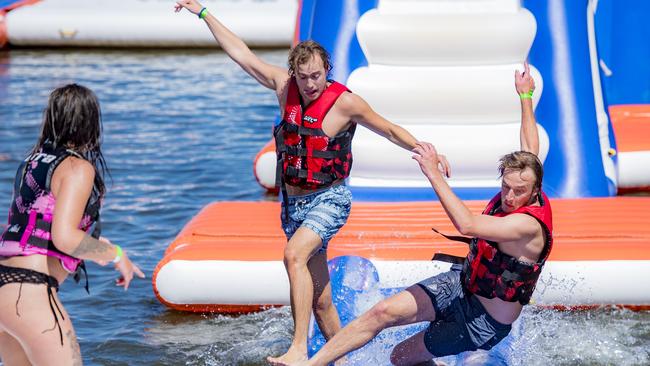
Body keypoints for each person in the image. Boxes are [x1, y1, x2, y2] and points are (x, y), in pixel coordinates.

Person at [173, 2, 451, 364]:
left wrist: (425, 149)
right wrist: (203, 13)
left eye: (317, 76)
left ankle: (298, 349)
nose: (310, 84)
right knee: (321, 302)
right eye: (304, 77)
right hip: (292, 205)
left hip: (330, 199)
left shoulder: (346, 103)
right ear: (294, 74)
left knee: (293, 255)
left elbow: (387, 128)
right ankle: (347, 360)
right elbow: (240, 53)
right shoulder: (282, 86)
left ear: (326, 71)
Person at [289, 63, 552, 366]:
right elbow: (530, 145)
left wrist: (431, 172)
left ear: (536, 191)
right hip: (462, 284)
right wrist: (526, 95)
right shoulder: (523, 176)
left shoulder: (527, 225)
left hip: (483, 320)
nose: (509, 196)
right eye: (505, 186)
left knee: (400, 357)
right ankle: (312, 364)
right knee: (381, 313)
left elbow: (467, 224)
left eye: (518, 191)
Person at [0, 84, 145, 365]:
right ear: (90, 123)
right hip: (29, 294)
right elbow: (65, 237)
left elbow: (39, 227)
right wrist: (116, 254)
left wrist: (93, 245)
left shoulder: (32, 161)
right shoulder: (78, 168)